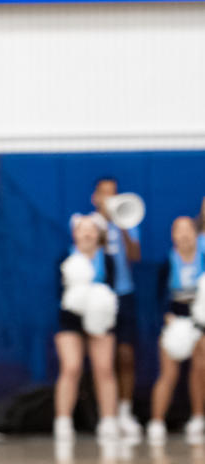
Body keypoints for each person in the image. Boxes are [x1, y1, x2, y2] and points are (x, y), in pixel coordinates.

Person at [53, 213, 119, 442]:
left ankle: (109, 420)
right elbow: (60, 294)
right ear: (75, 233)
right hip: (71, 318)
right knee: (71, 367)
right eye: (83, 229)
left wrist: (97, 313)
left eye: (92, 229)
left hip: (100, 319)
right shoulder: (65, 259)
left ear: (99, 234)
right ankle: (63, 420)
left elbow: (112, 290)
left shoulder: (108, 259)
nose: (88, 233)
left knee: (104, 368)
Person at [90, 178, 142, 439]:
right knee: (102, 358)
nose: (110, 199)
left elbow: (135, 256)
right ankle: (105, 414)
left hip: (124, 295)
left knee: (125, 355)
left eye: (115, 194)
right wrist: (101, 225)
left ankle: (125, 410)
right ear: (96, 198)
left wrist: (121, 226)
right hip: (98, 297)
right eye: (105, 194)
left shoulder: (128, 221)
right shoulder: (90, 224)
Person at [148, 216, 205, 443]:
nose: (183, 235)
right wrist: (167, 318)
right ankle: (156, 421)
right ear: (173, 236)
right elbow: (158, 298)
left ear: (195, 233)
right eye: (178, 230)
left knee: (200, 367)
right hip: (175, 320)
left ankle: (198, 418)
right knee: (169, 372)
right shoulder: (168, 262)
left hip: (200, 321)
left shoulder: (203, 258)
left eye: (187, 230)